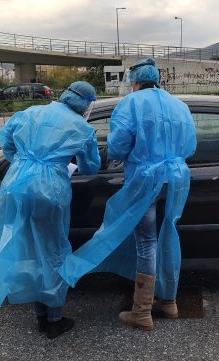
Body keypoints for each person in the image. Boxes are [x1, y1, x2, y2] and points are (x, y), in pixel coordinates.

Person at [58, 58, 197, 331]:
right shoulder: (179, 106)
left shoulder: (130, 103)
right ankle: (169, 302)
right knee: (168, 233)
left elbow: (119, 147)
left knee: (146, 242)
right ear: (157, 78)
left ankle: (142, 312)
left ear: (134, 80)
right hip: (176, 179)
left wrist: (121, 154)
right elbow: (190, 146)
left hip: (145, 179)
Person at [0, 81, 101, 339]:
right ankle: (54, 319)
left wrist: (25, 163)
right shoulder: (83, 129)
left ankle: (39, 314)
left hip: (15, 184)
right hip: (49, 190)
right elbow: (91, 168)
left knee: (25, 249)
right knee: (52, 251)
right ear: (86, 104)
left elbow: (6, 142)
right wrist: (58, 164)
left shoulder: (30, 112)